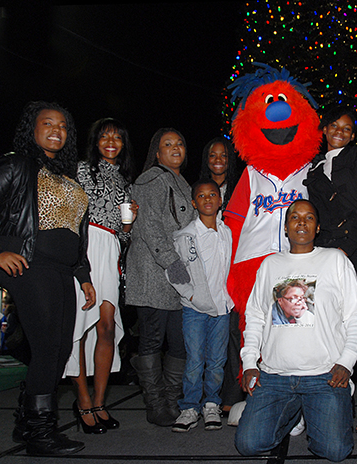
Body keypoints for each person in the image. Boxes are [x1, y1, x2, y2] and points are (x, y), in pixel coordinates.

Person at [0, 101, 95, 456]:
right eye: (47, 123)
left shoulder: (69, 176)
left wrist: (84, 275)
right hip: (30, 266)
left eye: (63, 125)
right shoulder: (17, 164)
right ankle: (40, 433)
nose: (56, 130)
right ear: (31, 129)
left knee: (61, 350)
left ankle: (27, 420)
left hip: (63, 271)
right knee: (48, 349)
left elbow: (76, 232)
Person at [235, 199, 357, 462]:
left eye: (309, 217)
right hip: (275, 377)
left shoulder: (335, 260)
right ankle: (295, 410)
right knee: (248, 444)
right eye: (295, 217)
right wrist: (249, 362)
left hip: (324, 376)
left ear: (317, 227)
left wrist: (346, 362)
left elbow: (356, 315)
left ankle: (318, 406)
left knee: (335, 451)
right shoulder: (270, 265)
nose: (302, 222)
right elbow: (255, 316)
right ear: (286, 227)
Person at [304, 106, 357, 434]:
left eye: (347, 128)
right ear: (324, 129)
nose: (340, 131)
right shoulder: (314, 167)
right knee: (329, 324)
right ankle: (338, 402)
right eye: (334, 126)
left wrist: (349, 245)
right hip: (328, 249)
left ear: (353, 135)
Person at [63, 118, 138, 434]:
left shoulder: (125, 180)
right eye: (105, 136)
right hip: (84, 246)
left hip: (110, 250)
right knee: (79, 326)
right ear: (95, 141)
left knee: (107, 326)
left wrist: (129, 224)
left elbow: (123, 233)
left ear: (123, 145)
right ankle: (82, 401)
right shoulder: (79, 170)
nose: (111, 141)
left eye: (117, 137)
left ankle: (100, 400)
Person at [125, 128, 196, 426]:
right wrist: (171, 263)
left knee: (179, 343)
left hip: (178, 277)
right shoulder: (152, 179)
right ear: (157, 152)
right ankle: (155, 404)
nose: (175, 148)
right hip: (154, 274)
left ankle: (170, 400)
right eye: (168, 144)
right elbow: (149, 225)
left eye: (179, 143)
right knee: (152, 339)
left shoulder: (182, 182)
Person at [165, 178, 234, 432]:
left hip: (222, 309)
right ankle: (189, 407)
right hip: (194, 310)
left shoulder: (226, 233)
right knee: (195, 360)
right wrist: (192, 296)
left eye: (212, 195)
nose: (207, 199)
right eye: (201, 196)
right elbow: (174, 270)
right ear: (194, 202)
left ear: (220, 200)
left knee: (216, 361)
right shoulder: (186, 236)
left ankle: (211, 405)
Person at [198, 136, 245, 416]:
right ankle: (204, 394)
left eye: (224, 155)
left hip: (235, 266)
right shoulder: (200, 189)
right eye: (213, 155)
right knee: (204, 336)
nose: (218, 160)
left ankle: (232, 391)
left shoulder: (240, 188)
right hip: (206, 271)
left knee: (233, 332)